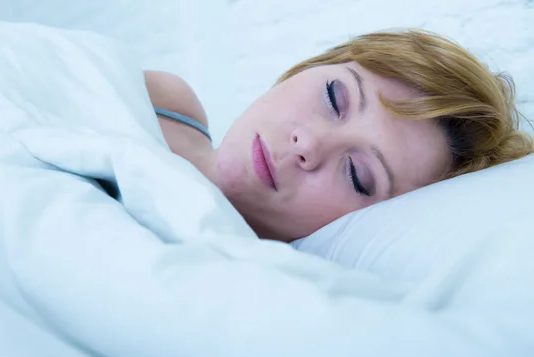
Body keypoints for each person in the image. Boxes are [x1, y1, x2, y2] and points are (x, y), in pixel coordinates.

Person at [144, 29, 533, 242]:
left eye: (357, 175)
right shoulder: (165, 100)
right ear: (313, 66)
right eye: (334, 96)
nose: (309, 144)